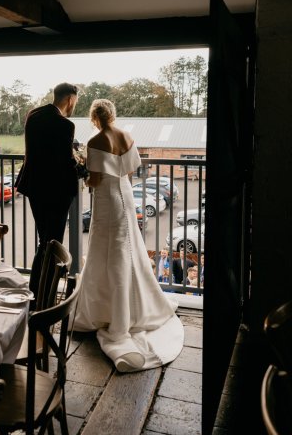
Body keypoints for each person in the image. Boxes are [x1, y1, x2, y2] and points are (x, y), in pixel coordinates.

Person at [74, 99, 184, 373]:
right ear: (112, 114)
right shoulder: (127, 136)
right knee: (127, 248)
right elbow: (132, 170)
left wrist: (83, 173)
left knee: (105, 249)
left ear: (94, 117)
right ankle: (133, 304)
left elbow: (96, 180)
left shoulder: (96, 140)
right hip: (124, 194)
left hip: (106, 199)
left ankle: (106, 309)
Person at [15, 82, 79, 298]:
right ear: (70, 99)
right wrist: (82, 168)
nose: (74, 106)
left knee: (45, 241)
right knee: (53, 244)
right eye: (74, 102)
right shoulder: (65, 125)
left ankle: (37, 290)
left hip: (34, 186)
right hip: (56, 191)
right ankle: (43, 295)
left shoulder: (34, 115)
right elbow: (65, 162)